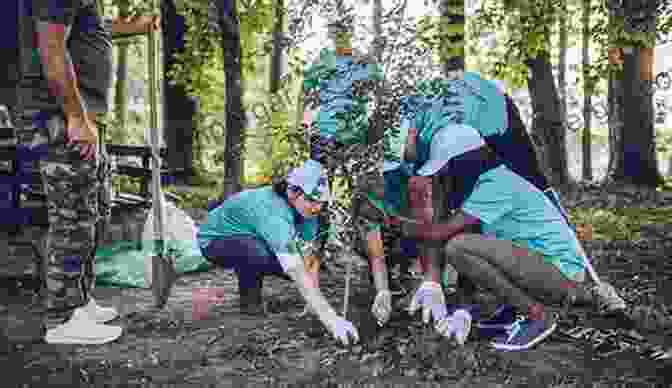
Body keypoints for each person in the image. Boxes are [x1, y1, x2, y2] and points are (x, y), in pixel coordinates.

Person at [399, 123, 627, 350]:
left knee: (457, 247)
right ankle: (517, 310)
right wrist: (463, 310)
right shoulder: (483, 188)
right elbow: (472, 260)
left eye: (447, 167)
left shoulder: (495, 185)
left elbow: (441, 233)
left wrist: (395, 223)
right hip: (541, 270)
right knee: (463, 247)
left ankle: (537, 316)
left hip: (558, 275)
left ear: (463, 162)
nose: (445, 175)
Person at [17, 1, 161, 345]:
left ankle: (79, 302)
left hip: (79, 115)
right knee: (71, 217)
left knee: (89, 213)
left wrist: (134, 27)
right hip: (60, 116)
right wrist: (76, 117)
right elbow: (52, 49)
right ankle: (62, 318)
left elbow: (88, 31)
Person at [197, 160, 360, 346]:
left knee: (291, 262)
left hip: (253, 237)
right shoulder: (273, 212)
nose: (316, 207)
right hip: (215, 241)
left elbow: (309, 257)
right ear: (292, 192)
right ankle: (250, 304)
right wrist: (331, 320)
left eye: (321, 203)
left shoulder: (308, 211)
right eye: (312, 201)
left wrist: (313, 304)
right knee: (257, 253)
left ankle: (269, 283)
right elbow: (295, 269)